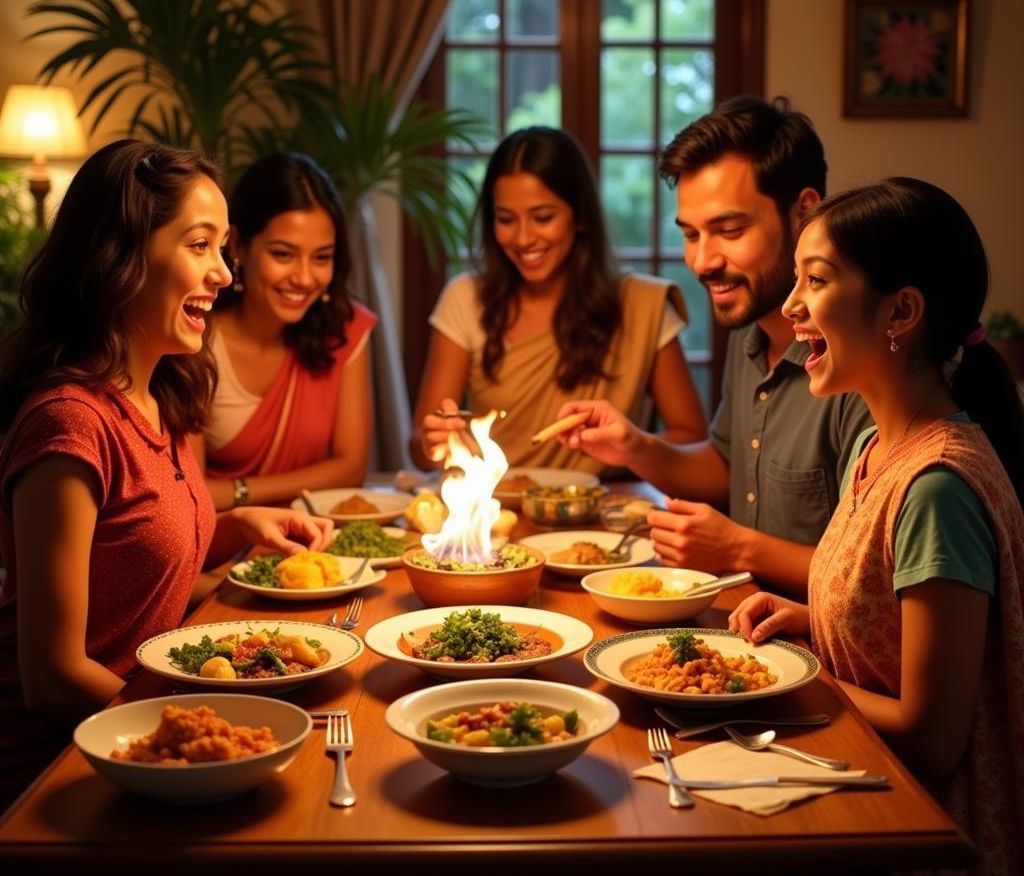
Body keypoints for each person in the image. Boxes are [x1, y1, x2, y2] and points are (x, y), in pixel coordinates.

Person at [0, 140, 334, 809]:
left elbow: (129, 558)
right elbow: (54, 675)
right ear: (121, 254)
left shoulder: (168, 395)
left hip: (151, 737)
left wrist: (237, 526)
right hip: (57, 769)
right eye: (199, 245)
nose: (224, 275)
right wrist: (209, 725)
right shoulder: (71, 425)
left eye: (224, 249)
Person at [728, 178, 1024, 876]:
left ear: (902, 311)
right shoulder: (874, 448)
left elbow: (932, 739)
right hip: (860, 790)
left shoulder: (938, 488)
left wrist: (788, 676)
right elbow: (890, 627)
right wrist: (807, 619)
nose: (791, 306)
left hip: (922, 832)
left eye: (816, 281)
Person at [557, 96, 872, 593]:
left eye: (729, 230)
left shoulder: (862, 363)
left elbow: (878, 576)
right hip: (744, 624)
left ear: (804, 212)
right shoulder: (752, 332)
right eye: (690, 234)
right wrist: (633, 445)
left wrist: (737, 548)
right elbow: (727, 470)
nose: (702, 261)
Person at [409, 125, 706, 474]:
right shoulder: (465, 298)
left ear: (579, 215)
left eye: (543, 218)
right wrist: (435, 440)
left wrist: (632, 445)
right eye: (506, 220)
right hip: (496, 512)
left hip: (600, 515)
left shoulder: (642, 305)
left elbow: (694, 439)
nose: (523, 238)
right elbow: (418, 448)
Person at [190, 153, 376, 510]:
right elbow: (194, 495)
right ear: (239, 245)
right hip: (217, 547)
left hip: (315, 539)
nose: (305, 278)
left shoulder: (344, 331)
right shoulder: (194, 338)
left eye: (321, 257)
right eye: (283, 254)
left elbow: (351, 469)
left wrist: (236, 491)